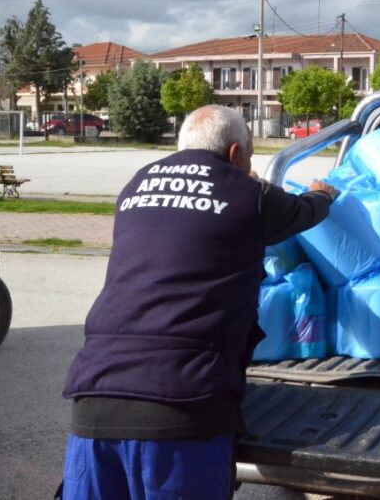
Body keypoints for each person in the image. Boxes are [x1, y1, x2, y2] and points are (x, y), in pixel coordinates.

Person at [59, 105, 338, 500]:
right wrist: (322, 193)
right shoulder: (249, 194)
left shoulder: (136, 185)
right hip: (185, 406)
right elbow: (304, 212)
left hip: (96, 400)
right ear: (235, 154)